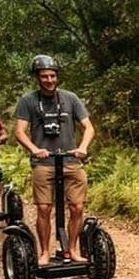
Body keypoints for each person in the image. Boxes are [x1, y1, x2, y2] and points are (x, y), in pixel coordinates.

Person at [14, 55, 95, 266]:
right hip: (44, 163)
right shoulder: (28, 101)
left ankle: (73, 249)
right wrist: (34, 149)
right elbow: (20, 132)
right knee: (43, 208)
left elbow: (89, 127)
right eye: (44, 76)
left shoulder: (70, 98)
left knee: (77, 207)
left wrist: (83, 147)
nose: (49, 80)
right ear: (37, 78)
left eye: (52, 76)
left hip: (71, 160)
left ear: (57, 76)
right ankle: (44, 252)